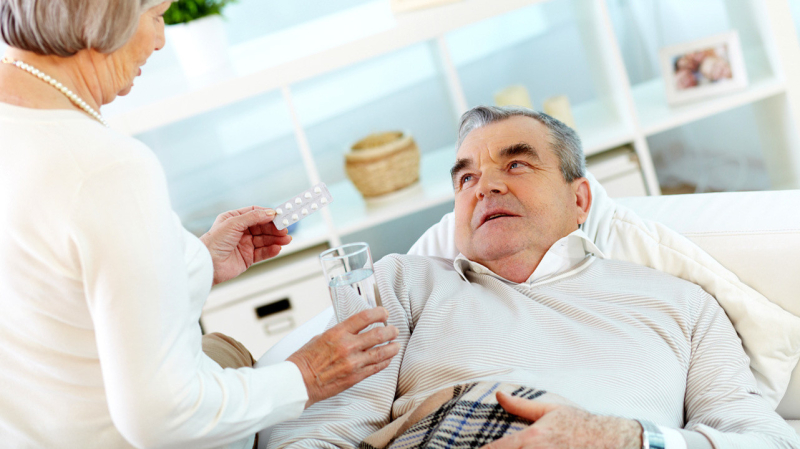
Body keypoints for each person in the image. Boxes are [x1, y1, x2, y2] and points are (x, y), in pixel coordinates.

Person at [267, 106, 800, 449]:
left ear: (580, 198)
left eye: (516, 165)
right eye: (466, 178)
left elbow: (764, 439)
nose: (484, 187)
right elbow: (319, 435)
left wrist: (620, 438)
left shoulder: (683, 304)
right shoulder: (401, 284)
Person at [0, 1, 399, 447]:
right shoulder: (106, 169)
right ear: (106, 13)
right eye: (156, 15)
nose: (160, 41)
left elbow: (57, 296)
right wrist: (308, 376)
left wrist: (197, 260)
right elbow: (161, 416)